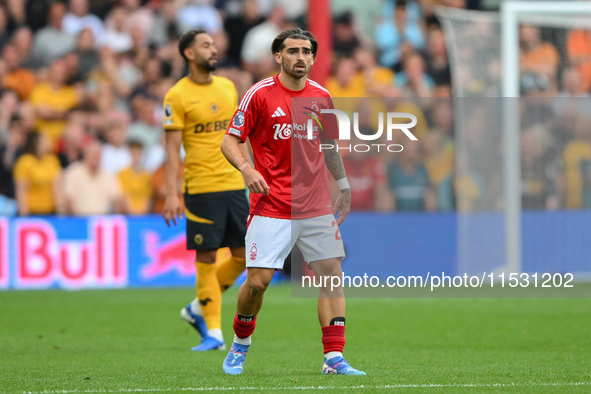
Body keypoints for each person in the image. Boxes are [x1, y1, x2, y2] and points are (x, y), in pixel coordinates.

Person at [220, 27, 365, 376]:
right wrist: (246, 168)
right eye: (293, 51)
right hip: (272, 204)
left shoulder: (322, 97)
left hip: (315, 204)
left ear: (313, 58)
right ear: (279, 56)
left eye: (306, 52)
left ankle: (334, 358)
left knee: (332, 275)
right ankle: (240, 344)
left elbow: (329, 146)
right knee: (257, 283)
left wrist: (343, 186)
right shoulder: (259, 94)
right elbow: (230, 140)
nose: (300, 57)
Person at [162, 29, 250, 352]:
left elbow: (242, 136)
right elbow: (172, 150)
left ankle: (198, 307)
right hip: (200, 186)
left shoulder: (228, 87)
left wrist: (251, 170)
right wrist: (172, 193)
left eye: (214, 45)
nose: (214, 50)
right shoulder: (177, 96)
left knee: (243, 257)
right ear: (188, 53)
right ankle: (213, 332)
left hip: (234, 183)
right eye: (206, 45)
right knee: (207, 256)